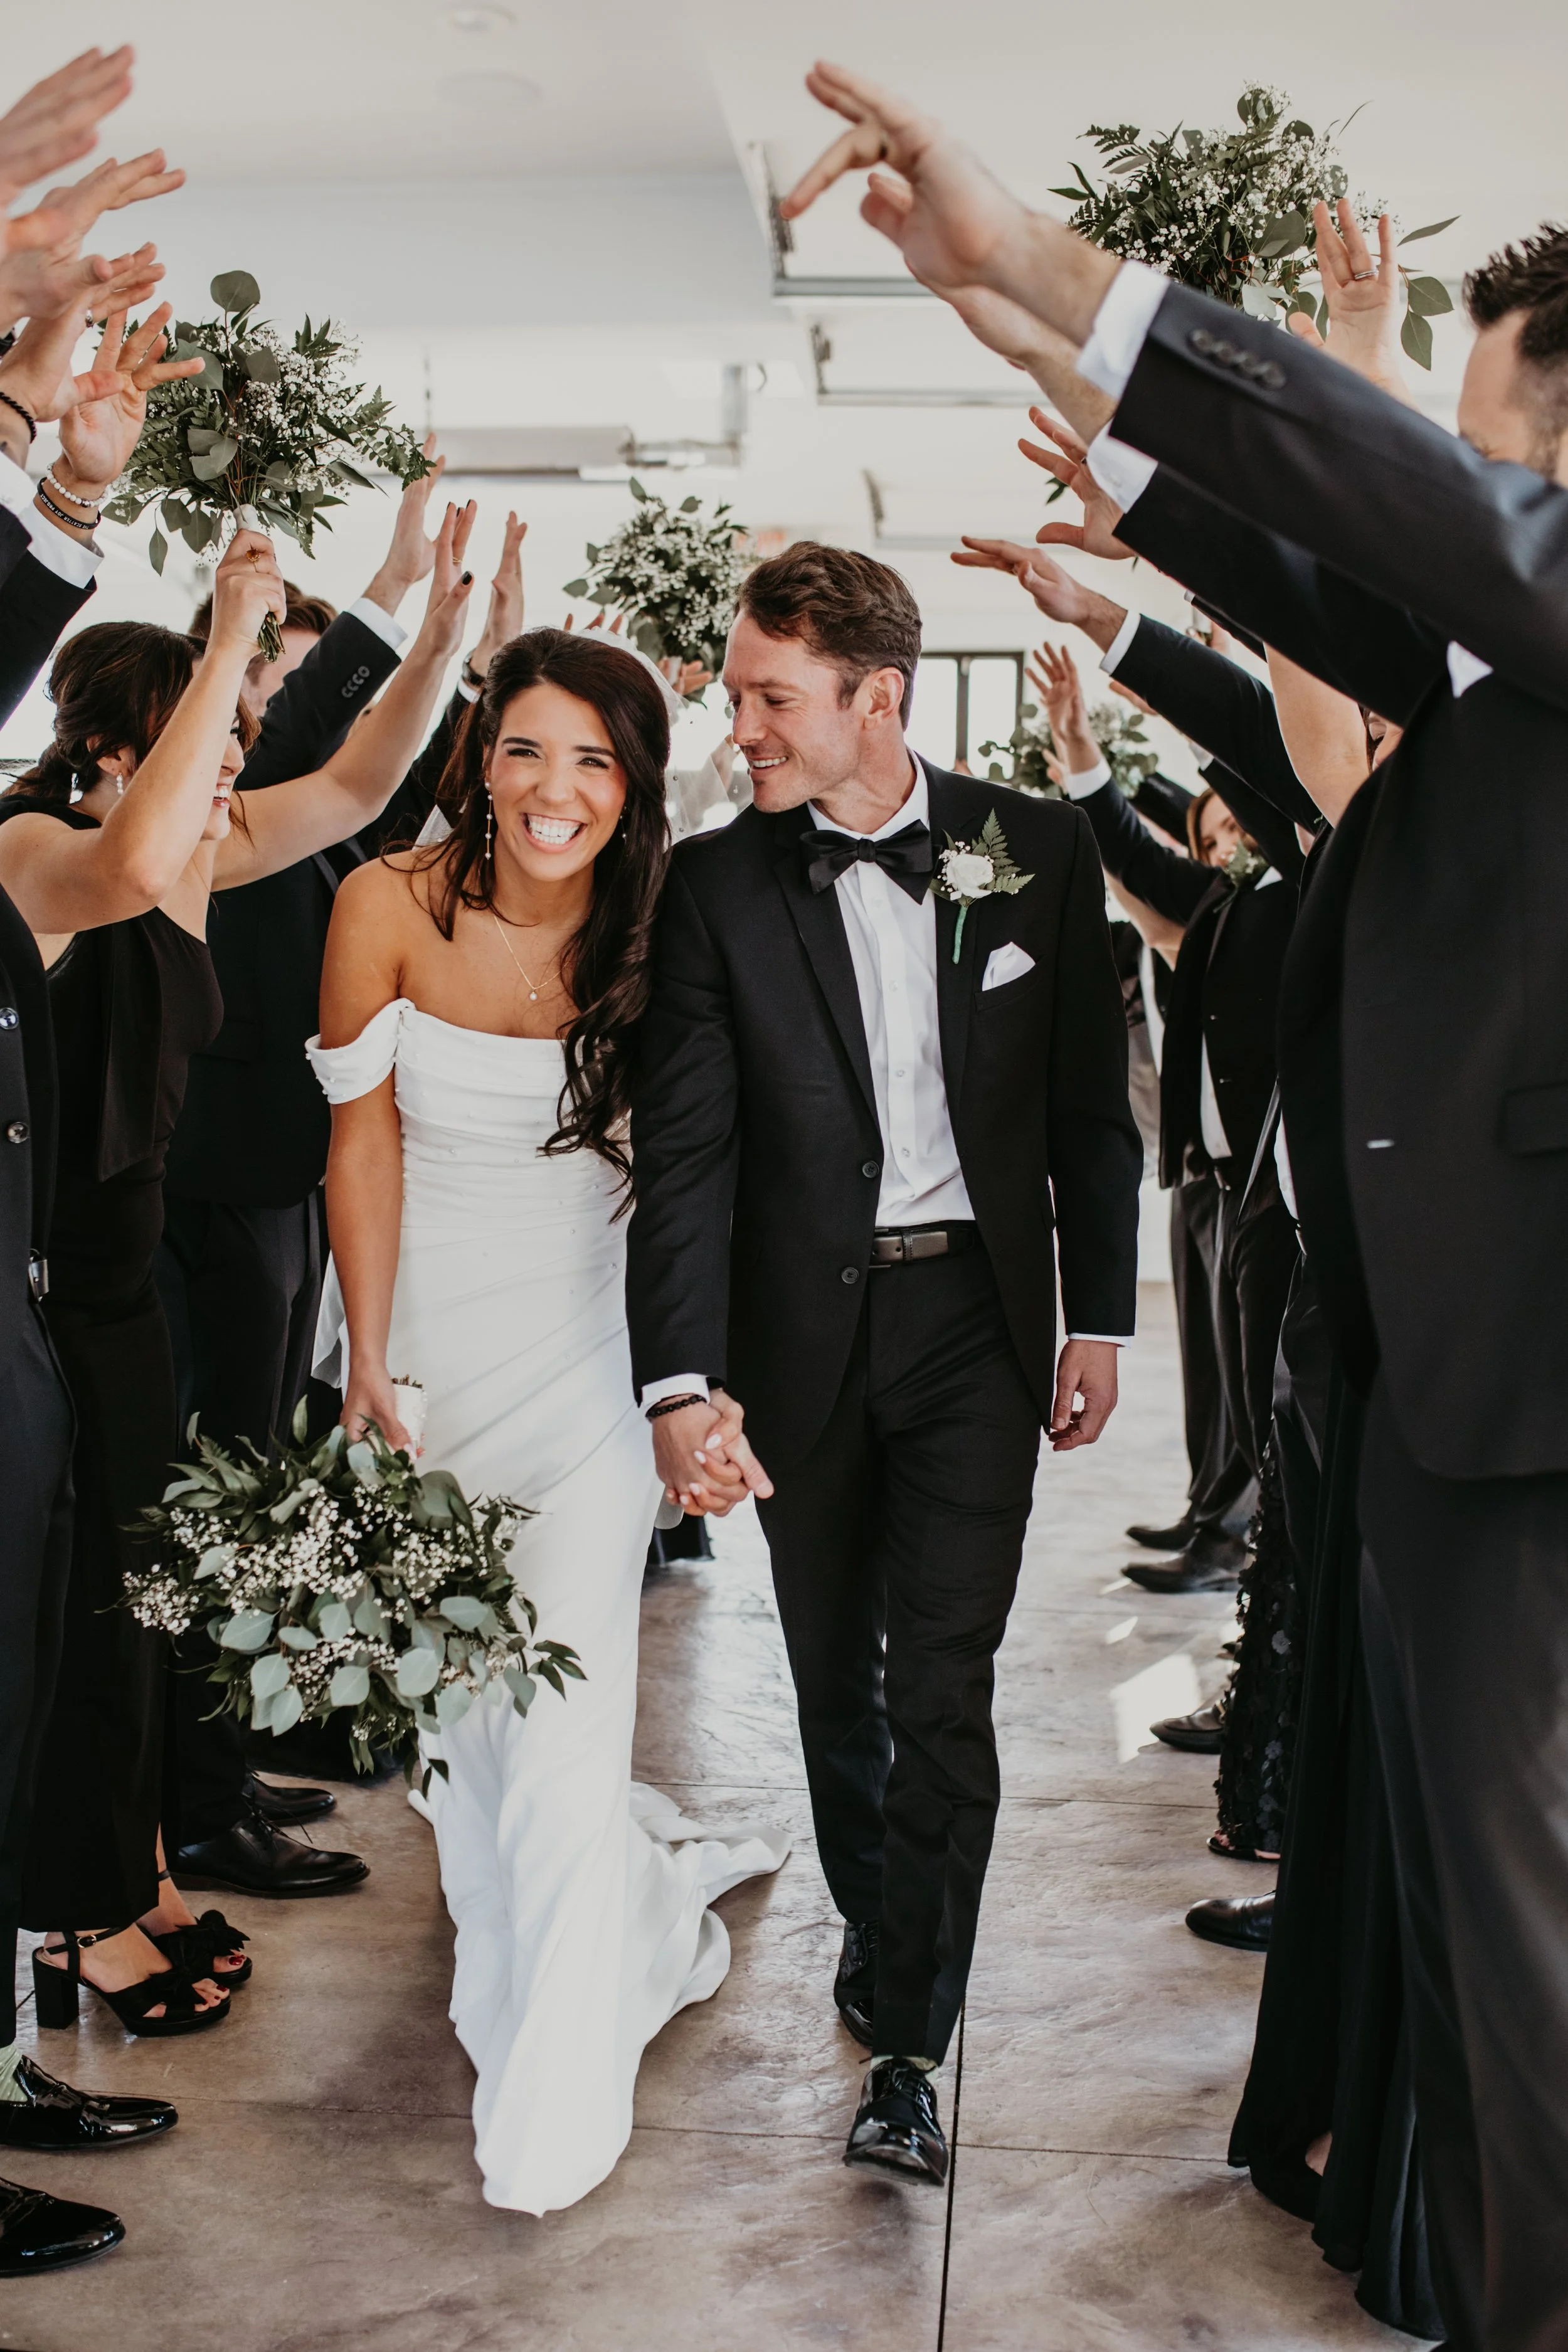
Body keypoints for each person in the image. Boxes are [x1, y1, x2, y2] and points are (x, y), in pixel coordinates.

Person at [783, 69, 1568, 2348]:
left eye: (1504, 457)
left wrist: (1045, 261)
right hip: (1451, 1378)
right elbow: (1316, 579)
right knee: (1488, 1948)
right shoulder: (1501, 649)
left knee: (1535, 1959)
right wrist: (1049, 364)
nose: (1475, 494)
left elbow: (1406, 534)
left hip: (1535, 1392)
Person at [625, 541, 1142, 2185]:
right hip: (797, 1342)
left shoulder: (1032, 850)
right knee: (833, 1681)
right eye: (734, 688)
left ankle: (908, 2041)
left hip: (974, 1331)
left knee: (942, 1690)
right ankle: (879, 1924)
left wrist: (1100, 1313)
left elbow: (1083, 1106)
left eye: (770, 695)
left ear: (877, 696)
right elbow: (690, 1156)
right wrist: (683, 1377)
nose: (742, 722)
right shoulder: (712, 886)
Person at [308, 626, 788, 2214]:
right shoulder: (385, 903)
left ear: (633, 781)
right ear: (480, 756)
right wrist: (369, 1364)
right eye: (526, 748)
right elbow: (359, 1148)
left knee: (569, 1725)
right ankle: (616, 1932)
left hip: (593, 1359)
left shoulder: (664, 925)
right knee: (463, 1741)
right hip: (436, 1350)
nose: (555, 788)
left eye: (593, 757)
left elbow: (704, 1168)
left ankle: (554, 2090)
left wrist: (698, 1376)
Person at [0, 503, 474, 2040]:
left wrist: (444, 635)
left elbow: (356, 781)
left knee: (137, 1621)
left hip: (128, 1306)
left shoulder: (193, 844)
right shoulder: (42, 855)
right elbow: (138, 856)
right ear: (120, 749)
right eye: (216, 731)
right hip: (47, 1312)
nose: (241, 765)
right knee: (77, 1636)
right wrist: (226, 637)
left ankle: (129, 1880)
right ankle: (77, 1921)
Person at [154, 465, 501, 1892]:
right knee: (208, 1502)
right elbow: (321, 731)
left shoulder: (297, 818)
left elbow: (390, 779)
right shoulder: (197, 820)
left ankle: (220, 1770)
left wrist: (455, 646)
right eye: (264, 687)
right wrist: (397, 581)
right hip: (209, 1201)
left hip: (284, 1188)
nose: (280, 716)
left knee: (252, 1497)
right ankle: (190, 1801)